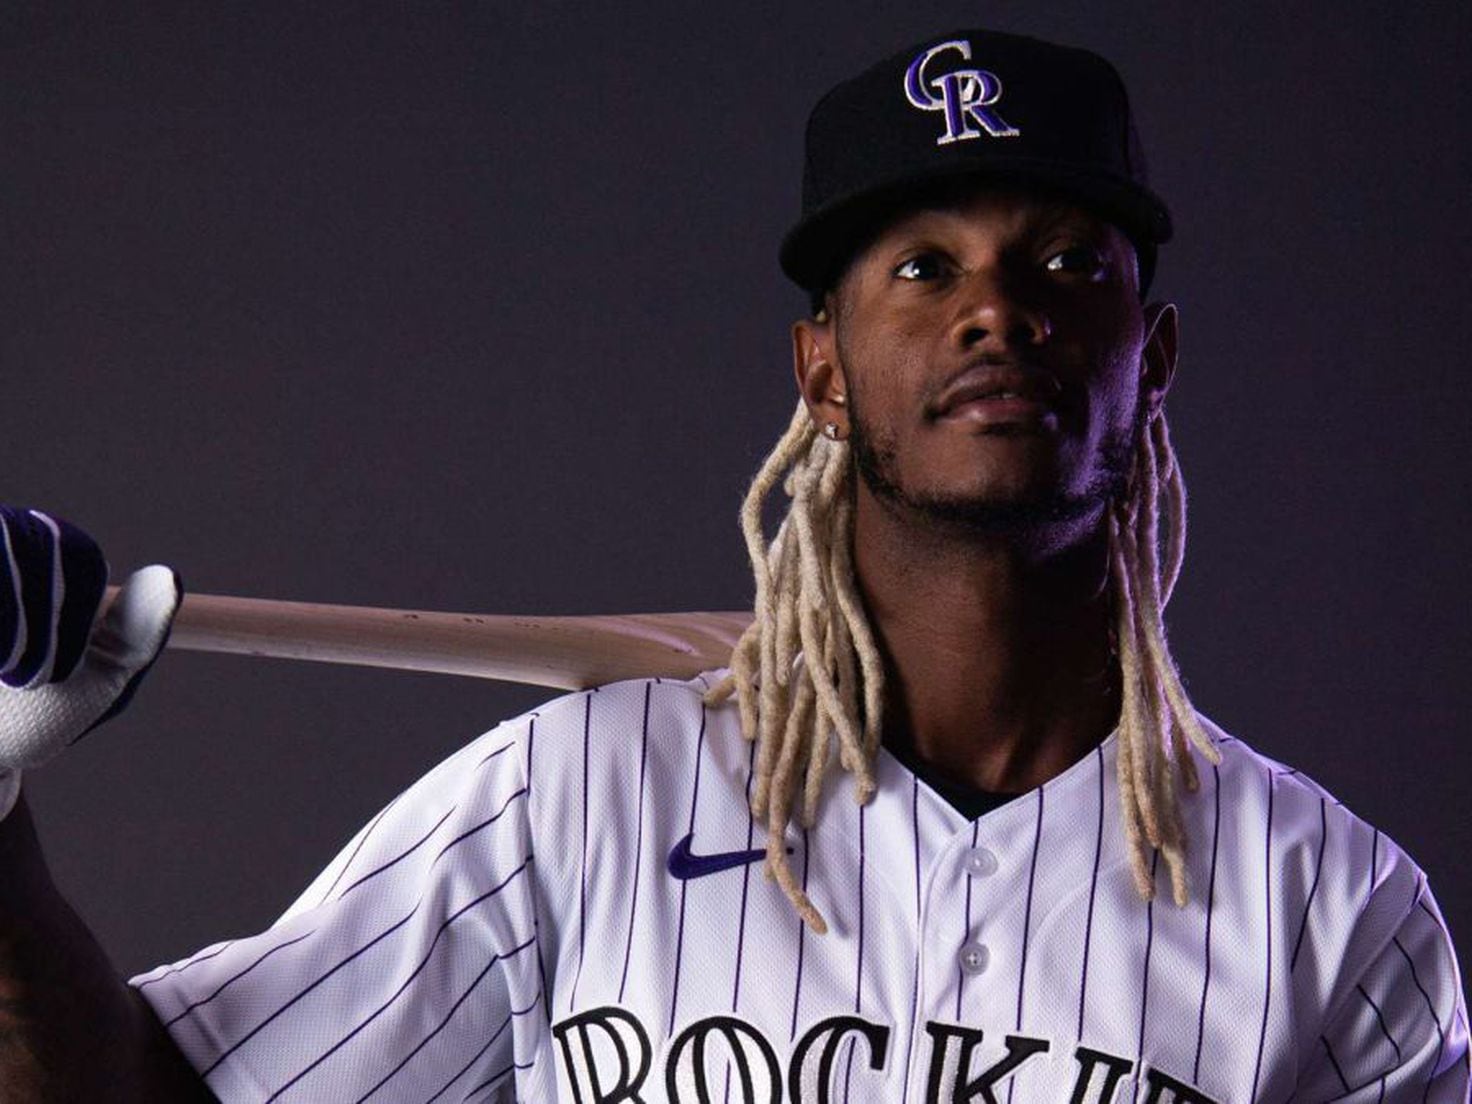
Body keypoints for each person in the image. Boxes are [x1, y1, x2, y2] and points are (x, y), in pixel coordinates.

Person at [0, 27, 1466, 1103]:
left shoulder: (1335, 913)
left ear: (1152, 361)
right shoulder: (572, 796)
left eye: (1066, 263)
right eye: (923, 267)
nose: (996, 313)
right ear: (822, 373)